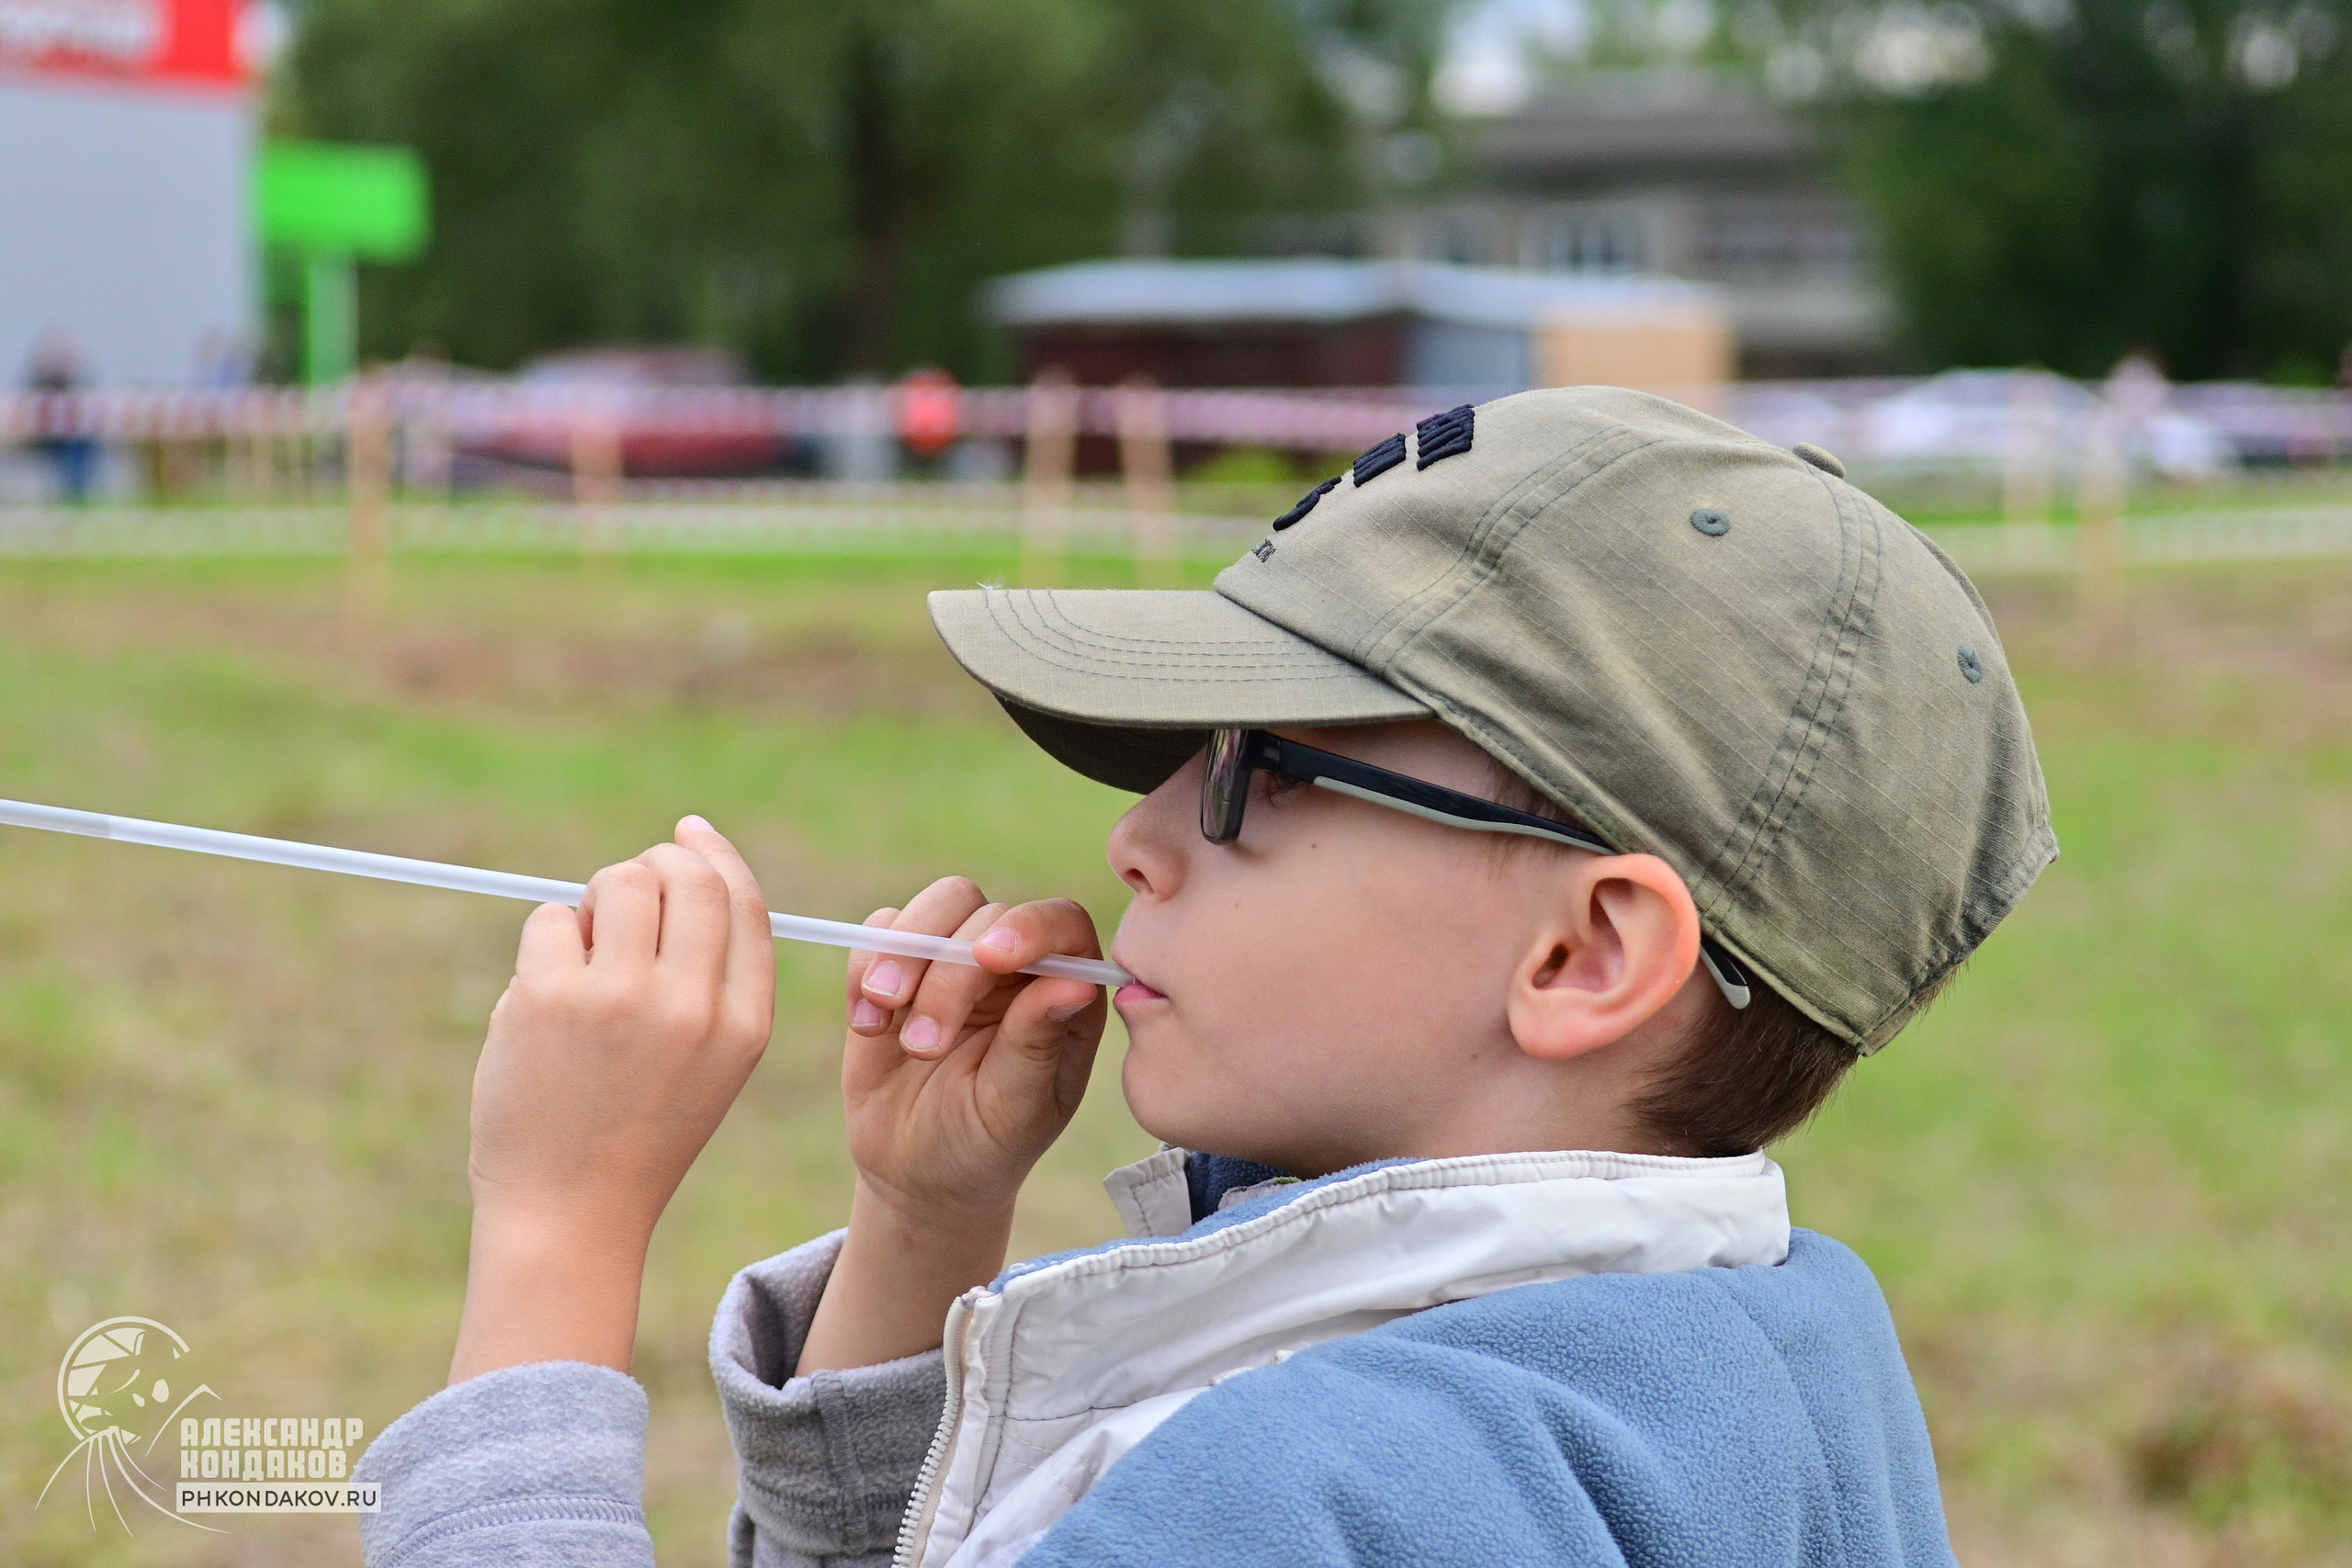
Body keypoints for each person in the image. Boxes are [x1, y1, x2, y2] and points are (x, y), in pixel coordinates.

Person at [356, 388, 2055, 1567]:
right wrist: (923, 1228)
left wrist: (553, 1242)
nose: (1141, 842)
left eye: (1260, 770)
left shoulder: (1310, 1497)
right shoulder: (1762, 1347)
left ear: (1582, 953)